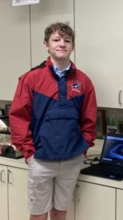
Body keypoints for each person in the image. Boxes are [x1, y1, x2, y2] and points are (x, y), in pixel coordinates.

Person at [9, 22, 97, 220]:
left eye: (67, 40)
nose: (62, 44)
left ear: (72, 46)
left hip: (71, 159)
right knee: (39, 215)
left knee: (60, 212)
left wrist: (83, 148)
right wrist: (29, 153)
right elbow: (18, 118)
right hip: (40, 159)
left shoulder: (83, 81)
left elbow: (90, 119)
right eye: (56, 40)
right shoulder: (31, 79)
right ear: (46, 45)